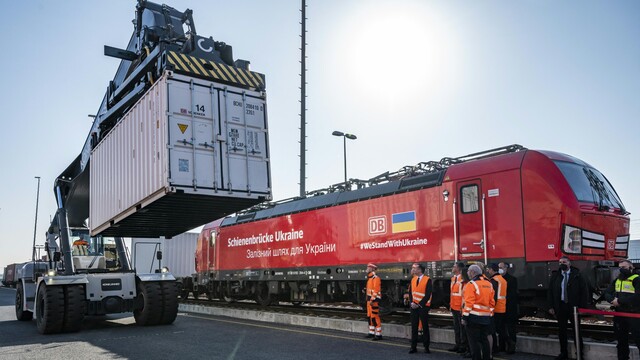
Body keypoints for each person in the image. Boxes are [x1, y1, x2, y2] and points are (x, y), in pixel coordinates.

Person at [547, 256, 588, 360]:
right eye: (560, 262)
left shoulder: (577, 275)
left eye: (564, 262)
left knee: (576, 331)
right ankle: (563, 353)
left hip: (574, 308)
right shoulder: (556, 276)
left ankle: (579, 353)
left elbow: (584, 292)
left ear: (569, 263)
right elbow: (550, 292)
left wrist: (582, 307)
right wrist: (551, 306)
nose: (562, 263)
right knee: (562, 331)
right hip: (561, 307)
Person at [603, 259, 640, 360]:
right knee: (621, 341)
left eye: (623, 267)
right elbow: (607, 293)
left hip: (634, 314)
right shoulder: (617, 280)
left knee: (638, 339)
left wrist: (619, 301)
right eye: (620, 267)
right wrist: (612, 301)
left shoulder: (637, 279)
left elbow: (637, 296)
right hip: (620, 314)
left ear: (631, 268)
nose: (621, 270)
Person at [462, 264, 495, 360]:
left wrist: (464, 317)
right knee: (485, 341)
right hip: (486, 318)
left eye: (468, 271)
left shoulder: (471, 284)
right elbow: (492, 302)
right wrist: (490, 316)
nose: (467, 273)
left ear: (472, 272)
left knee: (474, 343)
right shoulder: (489, 284)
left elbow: (469, 303)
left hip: (473, 318)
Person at [406, 263, 433, 354]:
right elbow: (410, 293)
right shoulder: (413, 279)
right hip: (414, 307)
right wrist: (411, 303)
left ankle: (426, 347)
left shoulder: (427, 280)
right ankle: (413, 347)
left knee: (425, 327)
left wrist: (419, 304)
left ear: (420, 270)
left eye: (415, 268)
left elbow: (428, 294)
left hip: (423, 307)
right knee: (414, 327)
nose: (413, 269)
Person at [487, 263, 507, 355]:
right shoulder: (502, 279)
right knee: (501, 329)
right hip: (502, 307)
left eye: (489, 269)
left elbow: (493, 296)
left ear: (492, 270)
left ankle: (495, 348)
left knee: (493, 330)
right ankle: (503, 347)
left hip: (496, 308)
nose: (488, 271)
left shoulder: (494, 280)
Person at [499, 261, 518, 354]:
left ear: (506, 268)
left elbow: (512, 295)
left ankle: (512, 346)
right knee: (501, 327)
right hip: (500, 308)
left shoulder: (512, 279)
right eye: (499, 267)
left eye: (502, 267)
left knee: (511, 328)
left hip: (509, 307)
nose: (500, 269)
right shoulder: (497, 279)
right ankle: (502, 346)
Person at [448, 261, 468, 354]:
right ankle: (457, 344)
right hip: (454, 306)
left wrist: (462, 307)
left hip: (460, 307)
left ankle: (463, 346)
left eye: (454, 266)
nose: (452, 268)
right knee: (456, 327)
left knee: (462, 328)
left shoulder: (463, 279)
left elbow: (464, 295)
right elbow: (453, 294)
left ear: (458, 269)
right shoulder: (453, 279)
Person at [365, 263, 383, 340]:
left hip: (373, 301)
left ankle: (378, 334)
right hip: (369, 301)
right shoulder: (370, 278)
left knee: (374, 317)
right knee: (369, 316)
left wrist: (372, 299)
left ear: (372, 269)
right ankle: (371, 332)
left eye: (368, 267)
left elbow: (376, 290)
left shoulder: (376, 278)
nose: (367, 268)